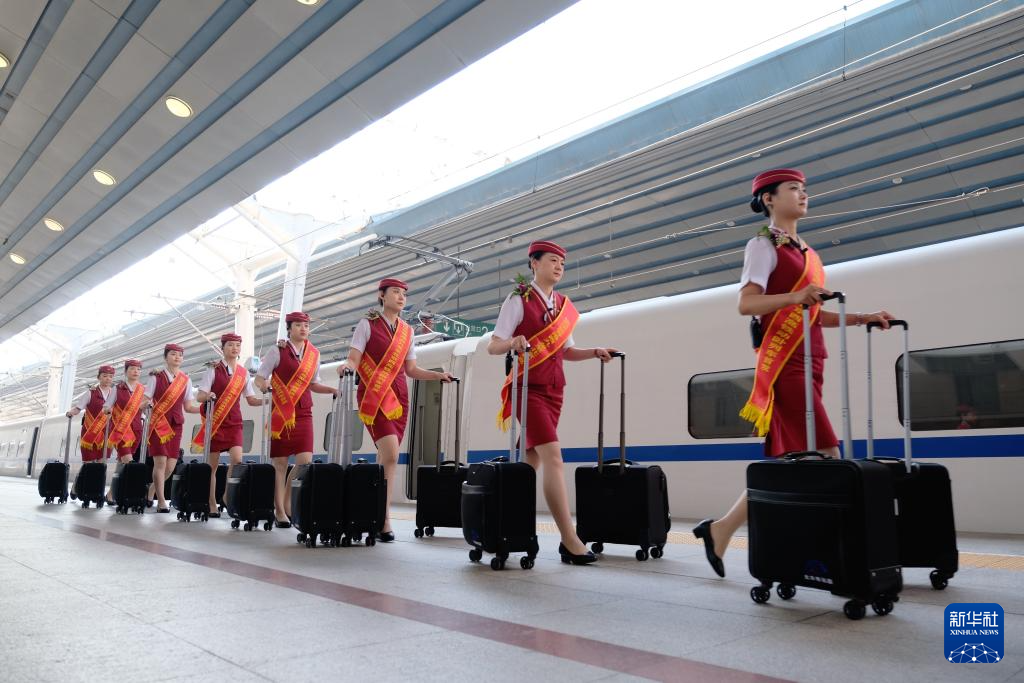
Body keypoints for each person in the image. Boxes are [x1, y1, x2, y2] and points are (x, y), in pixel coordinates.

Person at [693, 168, 895, 577]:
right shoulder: (762, 245)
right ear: (769, 198)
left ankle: (721, 530)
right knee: (826, 453)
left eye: (805, 189)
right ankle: (831, 554)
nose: (803, 195)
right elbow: (747, 305)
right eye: (793, 189)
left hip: (813, 358)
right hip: (785, 364)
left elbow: (814, 313)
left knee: (794, 461)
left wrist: (862, 318)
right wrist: (796, 296)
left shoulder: (811, 254)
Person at [488, 240, 618, 565]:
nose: (559, 266)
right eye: (552, 260)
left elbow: (566, 352)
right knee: (554, 457)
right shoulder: (519, 299)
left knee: (528, 465)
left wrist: (594, 352)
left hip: (554, 391)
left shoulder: (561, 305)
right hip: (527, 389)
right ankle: (569, 540)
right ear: (534, 263)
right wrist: (513, 342)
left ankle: (503, 526)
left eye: (562, 262)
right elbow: (493, 346)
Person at [339, 278, 454, 542]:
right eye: (395, 292)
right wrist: (346, 367)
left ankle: (376, 511)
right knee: (390, 453)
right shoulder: (367, 324)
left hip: (399, 398)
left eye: (404, 293)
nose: (401, 297)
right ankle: (385, 518)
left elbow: (411, 369)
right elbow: (354, 359)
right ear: (382, 296)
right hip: (374, 396)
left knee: (387, 459)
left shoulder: (407, 332)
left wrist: (438, 376)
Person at [254, 312, 337, 527]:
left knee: (304, 462)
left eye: (306, 325)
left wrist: (330, 389)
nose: (303, 328)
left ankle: (287, 500)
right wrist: (264, 387)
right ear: (289, 328)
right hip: (281, 412)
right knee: (280, 464)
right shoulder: (277, 350)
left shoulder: (314, 354)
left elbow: (313, 383)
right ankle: (280, 511)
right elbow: (260, 377)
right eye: (298, 325)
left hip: (303, 412)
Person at [193, 333, 263, 517]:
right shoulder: (213, 370)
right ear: (222, 347)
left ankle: (226, 495)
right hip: (215, 423)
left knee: (237, 460)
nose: (234, 348)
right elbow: (199, 396)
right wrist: (208, 396)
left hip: (234, 422)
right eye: (230, 345)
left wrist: (268, 400)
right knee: (212, 467)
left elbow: (251, 399)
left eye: (237, 345)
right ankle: (212, 503)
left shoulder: (244, 373)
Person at [145, 344, 200, 512]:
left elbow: (189, 407)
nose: (177, 357)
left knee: (170, 466)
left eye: (180, 355)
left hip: (176, 425)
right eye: (173, 354)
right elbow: (146, 399)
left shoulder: (186, 380)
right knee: (160, 463)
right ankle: (161, 501)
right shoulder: (155, 377)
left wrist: (206, 408)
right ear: (166, 357)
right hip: (158, 424)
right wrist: (146, 404)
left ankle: (152, 489)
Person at [66, 365, 116, 499]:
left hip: (107, 435)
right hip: (90, 434)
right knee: (88, 464)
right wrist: (71, 413)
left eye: (110, 376)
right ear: (98, 377)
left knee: (101, 465)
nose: (107, 379)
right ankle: (77, 486)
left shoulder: (115, 394)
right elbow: (78, 408)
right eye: (104, 376)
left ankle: (96, 492)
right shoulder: (90, 393)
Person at [103, 359, 147, 504]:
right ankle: (129, 496)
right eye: (132, 369)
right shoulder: (118, 388)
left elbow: (144, 409)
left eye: (138, 369)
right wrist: (108, 409)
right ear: (126, 371)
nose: (136, 371)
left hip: (136, 430)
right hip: (121, 430)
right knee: (129, 462)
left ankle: (111, 494)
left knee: (122, 463)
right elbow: (107, 405)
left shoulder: (143, 389)